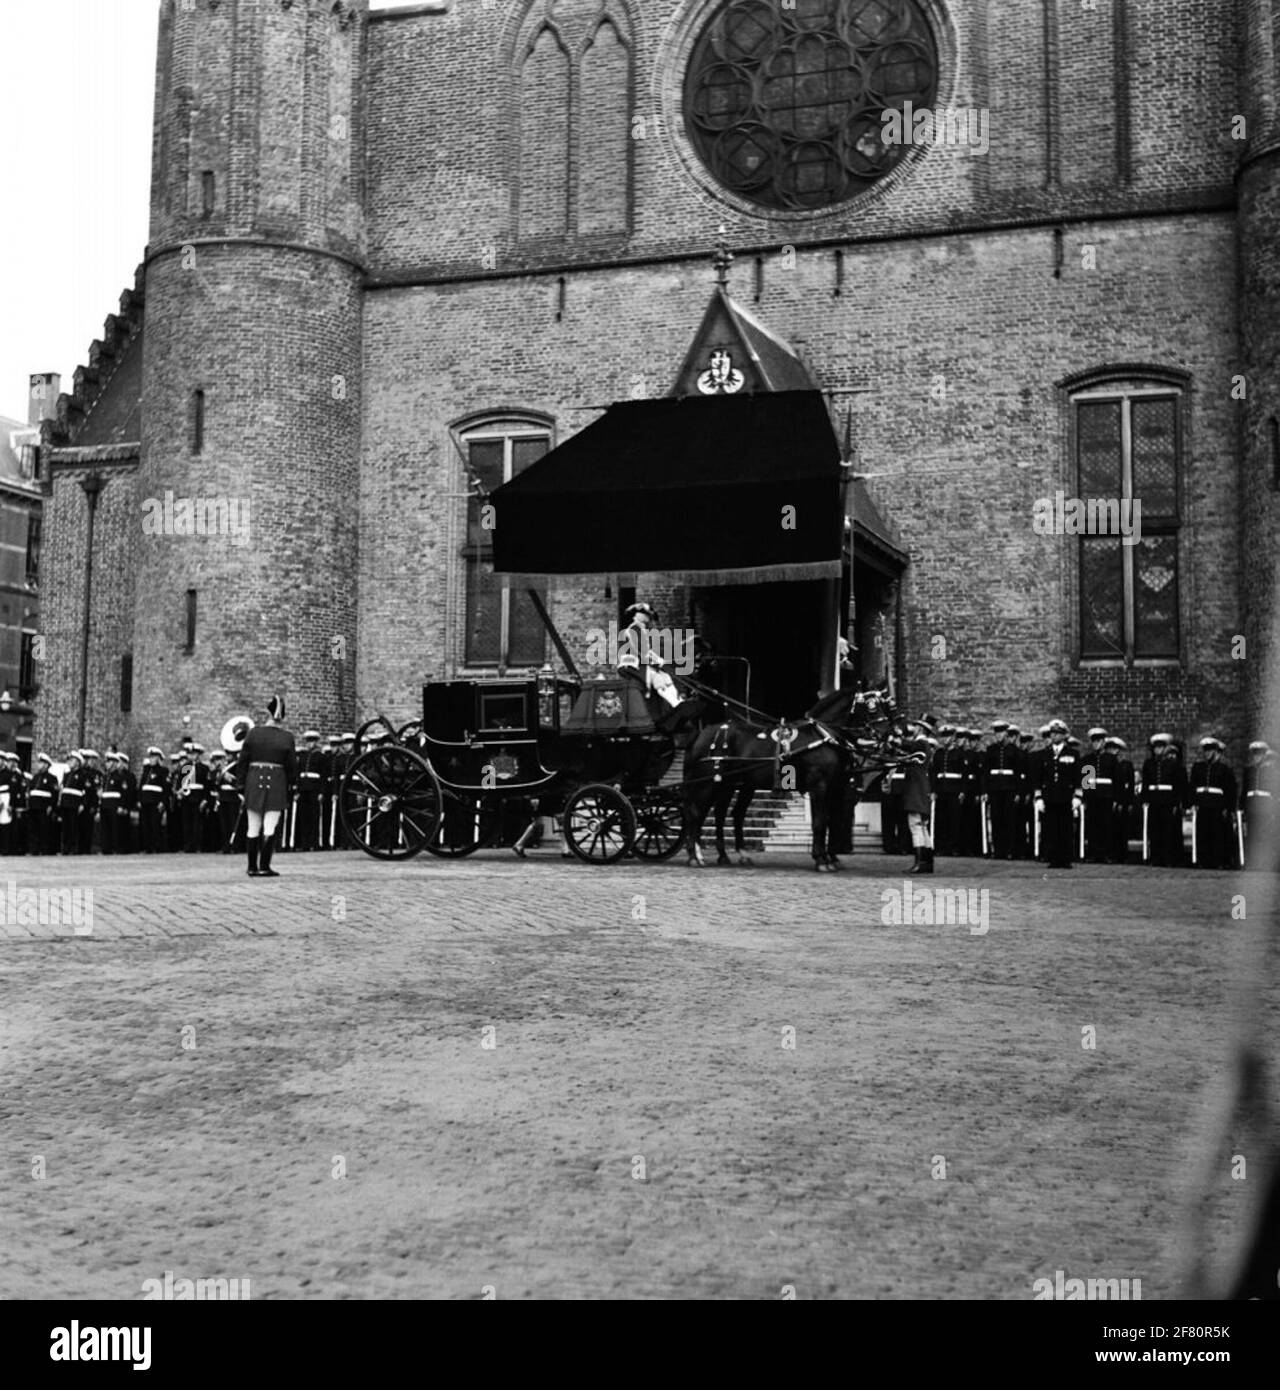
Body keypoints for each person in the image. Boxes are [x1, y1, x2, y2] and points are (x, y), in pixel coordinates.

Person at [235, 694, 298, 877]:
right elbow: (292, 767)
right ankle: (264, 866)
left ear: (267, 712)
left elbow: (243, 762)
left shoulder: (253, 733)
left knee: (253, 826)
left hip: (254, 780)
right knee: (270, 826)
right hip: (277, 782)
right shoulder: (287, 737)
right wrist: (293, 786)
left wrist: (240, 786)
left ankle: (252, 867)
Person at [1032, 718, 1081, 868]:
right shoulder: (1043, 755)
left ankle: (1065, 859)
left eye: (1058, 733)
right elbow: (1038, 777)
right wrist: (1038, 796)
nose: (1054, 736)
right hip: (1049, 797)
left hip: (1066, 797)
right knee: (1050, 829)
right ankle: (1052, 858)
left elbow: (1082, 775)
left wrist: (1079, 796)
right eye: (1052, 733)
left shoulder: (1074, 754)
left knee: (1065, 829)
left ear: (1065, 735)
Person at [1189, 736, 1236, 869]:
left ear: (1215, 752)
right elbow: (1193, 786)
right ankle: (1203, 860)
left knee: (1217, 834)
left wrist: (1228, 807)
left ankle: (1218, 861)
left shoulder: (1224, 769)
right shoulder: (1198, 767)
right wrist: (1193, 802)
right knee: (1202, 833)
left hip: (1217, 804)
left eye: (1210, 751)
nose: (1207, 754)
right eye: (1205, 751)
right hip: (1202, 803)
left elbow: (1229, 790)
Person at [1241, 741, 1278, 869]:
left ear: (1264, 755)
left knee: (1264, 834)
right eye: (1255, 755)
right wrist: (1241, 807)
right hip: (1252, 805)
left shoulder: (1271, 771)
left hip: (1265, 805)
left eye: (1259, 755)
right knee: (1251, 835)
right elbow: (1245, 790)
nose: (1257, 758)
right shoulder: (1249, 770)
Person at [902, 737, 934, 874]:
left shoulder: (921, 745)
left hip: (915, 793)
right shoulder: (923, 748)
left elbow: (909, 747)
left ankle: (919, 863)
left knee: (915, 827)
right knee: (922, 828)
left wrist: (896, 739)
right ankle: (927, 863)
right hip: (920, 791)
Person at [138, 748, 169, 854]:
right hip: (146, 801)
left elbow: (165, 788)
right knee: (146, 825)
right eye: (150, 757)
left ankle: (157, 846)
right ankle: (148, 847)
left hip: (156, 801)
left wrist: (163, 802)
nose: (151, 759)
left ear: (158, 758)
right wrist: (139, 799)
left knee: (155, 825)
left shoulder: (163, 771)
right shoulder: (146, 770)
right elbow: (142, 785)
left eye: (154, 757)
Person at [28, 753, 59, 856]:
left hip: (43, 807)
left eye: (41, 763)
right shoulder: (35, 777)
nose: (38, 765)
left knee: (44, 829)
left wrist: (51, 806)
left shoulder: (52, 778)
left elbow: (55, 794)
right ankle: (34, 849)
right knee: (34, 829)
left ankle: (44, 849)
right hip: (34, 807)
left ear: (46, 764)